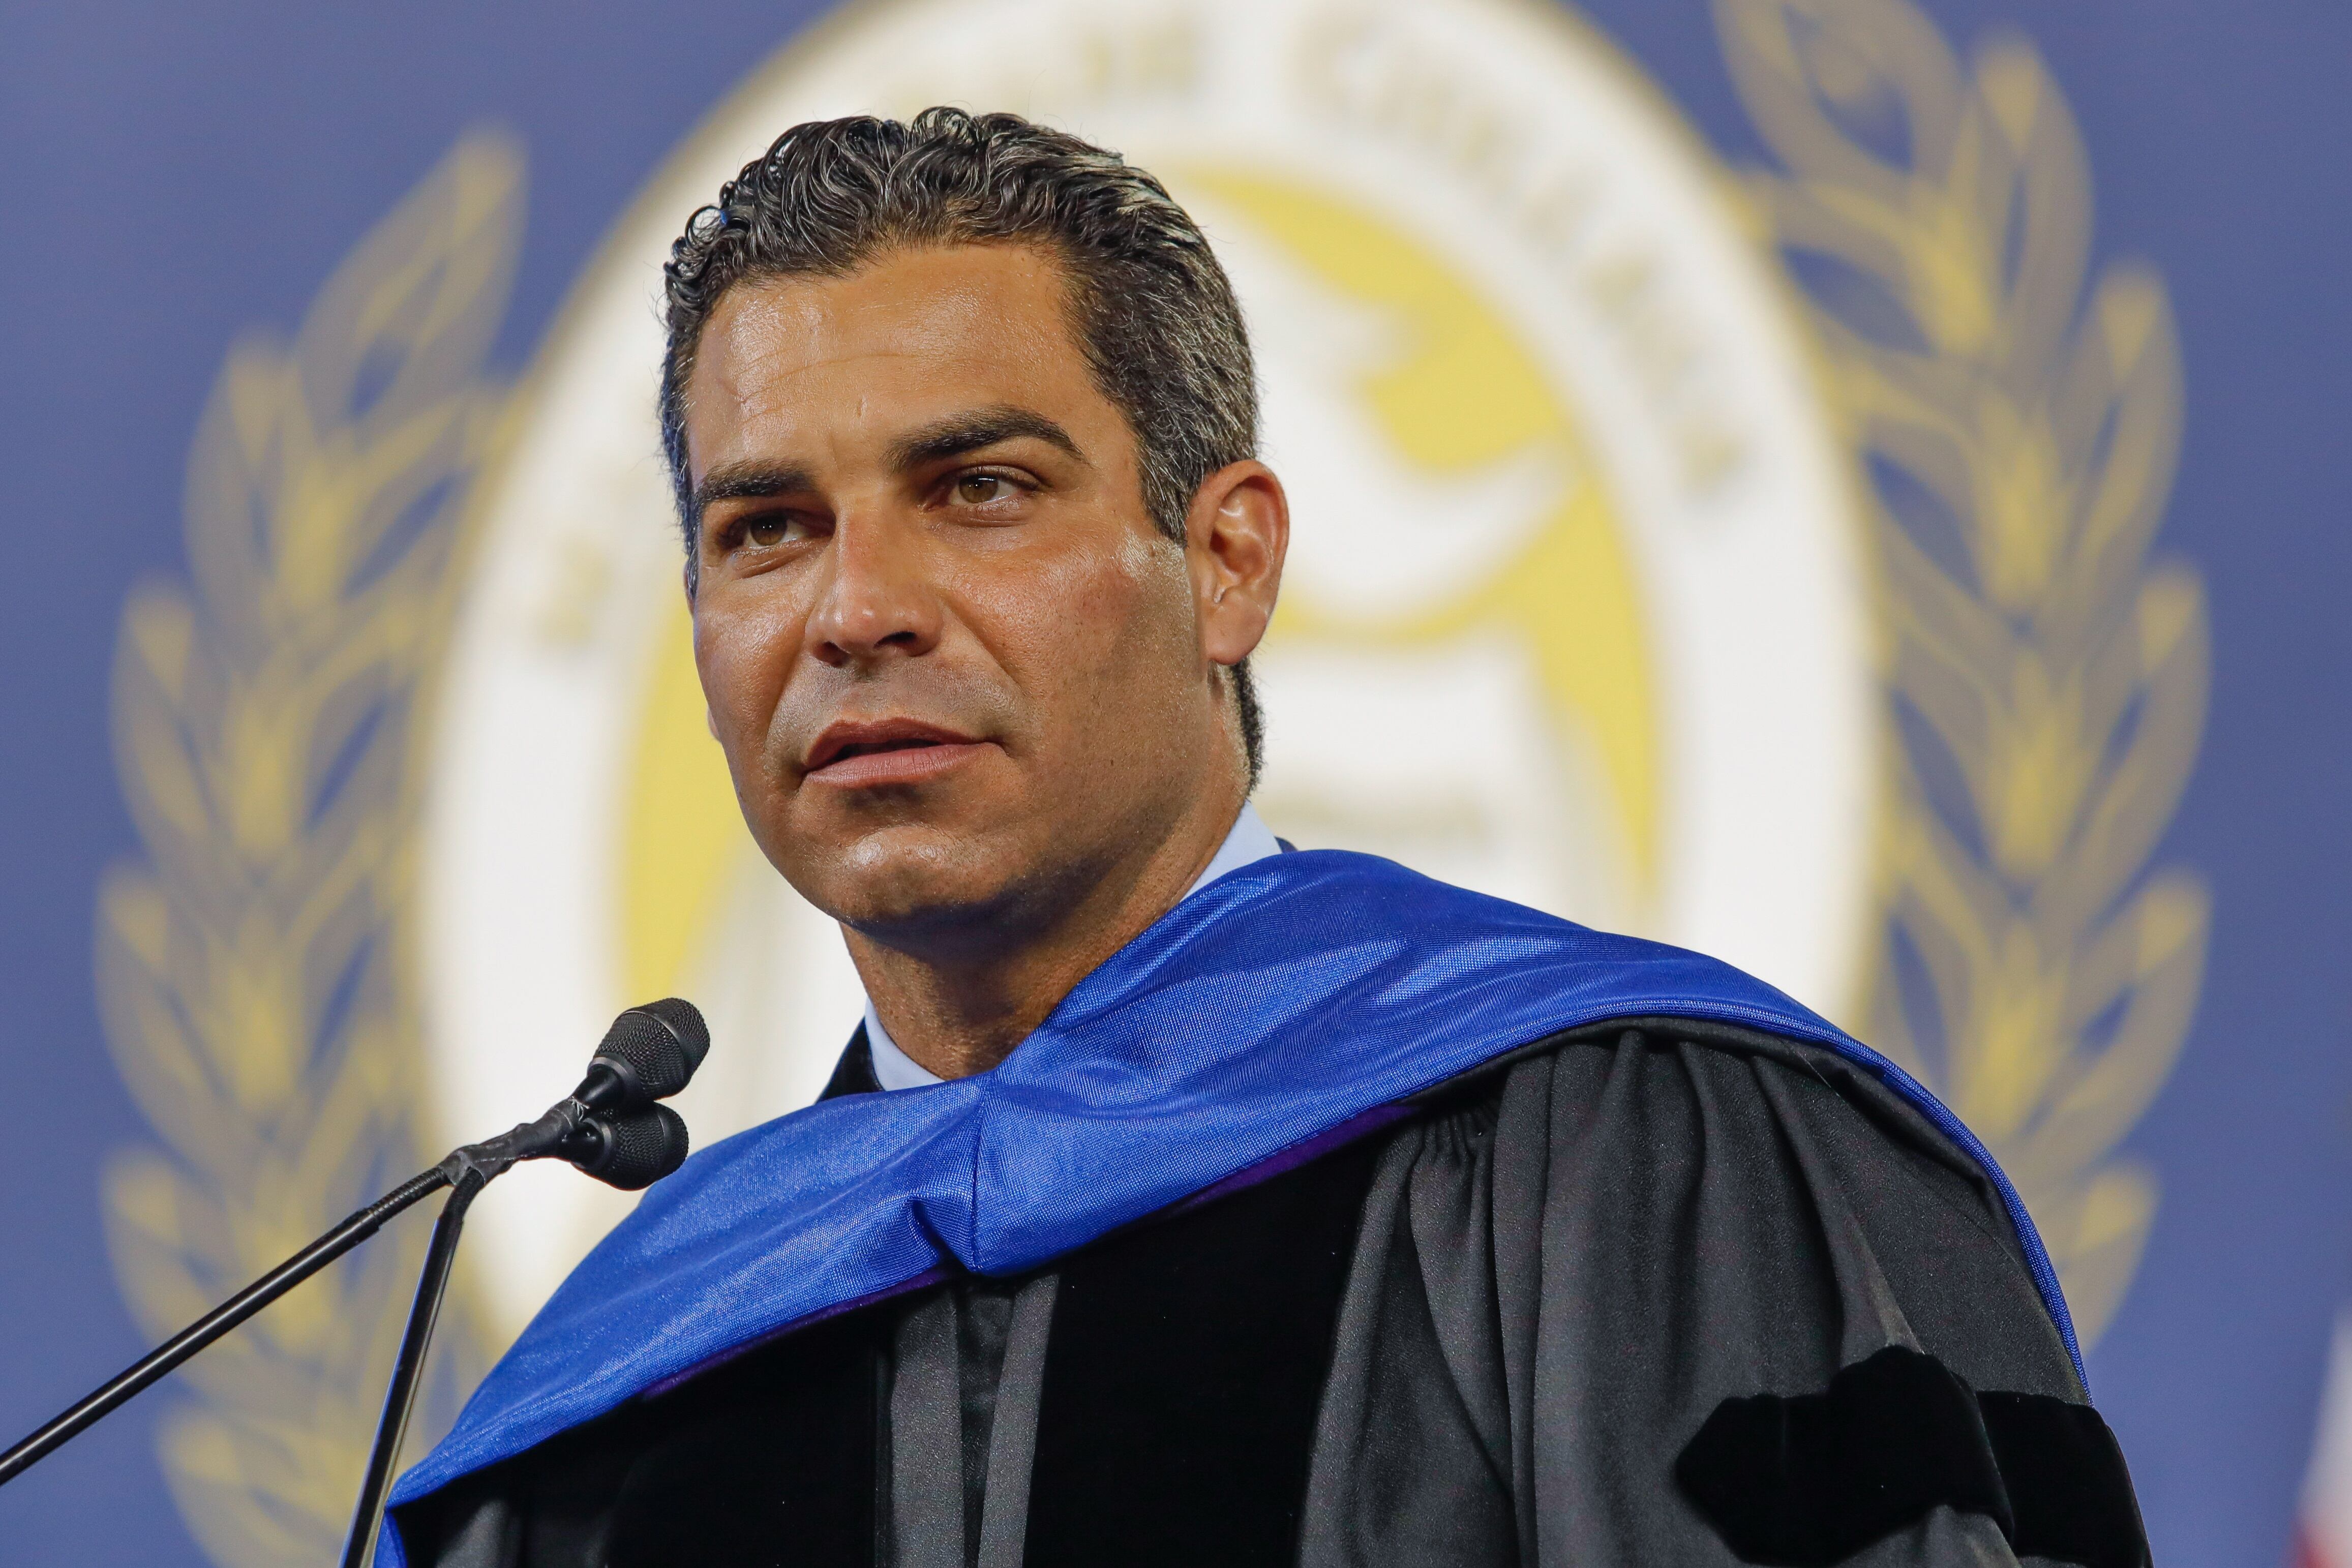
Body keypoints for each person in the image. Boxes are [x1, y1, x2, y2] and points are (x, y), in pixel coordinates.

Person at [385, 109, 2146, 1568]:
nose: (856, 609)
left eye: (979, 490)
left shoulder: (1633, 1157)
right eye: (767, 528)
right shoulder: (611, 1401)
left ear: (1226, 562)